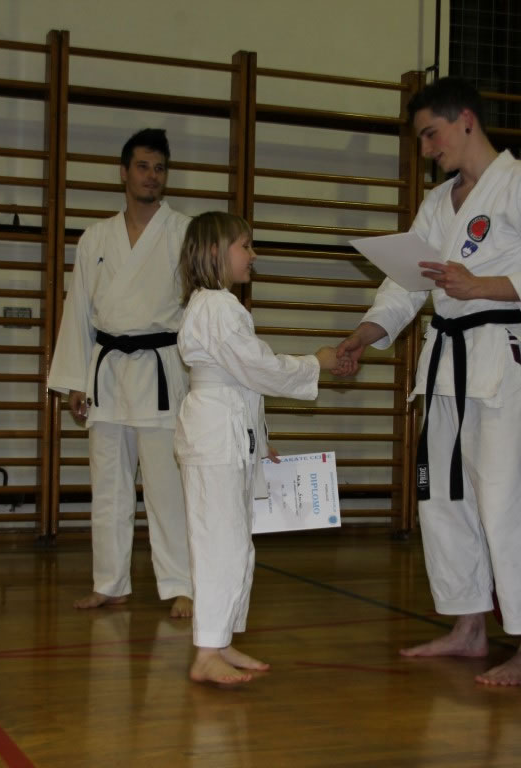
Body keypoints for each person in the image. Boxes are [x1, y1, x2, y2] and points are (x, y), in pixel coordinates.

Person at [336, 77, 521, 686]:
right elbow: (405, 284)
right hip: (443, 365)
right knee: (442, 499)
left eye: (430, 134)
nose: (426, 149)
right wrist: (364, 334)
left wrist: (482, 285)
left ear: (466, 119)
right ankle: (469, 627)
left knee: (509, 501)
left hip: (498, 360)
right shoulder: (438, 204)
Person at [175, 212, 345, 684]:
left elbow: (242, 380)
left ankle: (221, 641)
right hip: (216, 437)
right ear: (215, 251)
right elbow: (259, 368)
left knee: (236, 545)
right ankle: (206, 652)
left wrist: (261, 439)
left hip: (229, 432)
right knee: (220, 544)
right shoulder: (217, 306)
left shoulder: (216, 305)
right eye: (245, 245)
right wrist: (316, 363)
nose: (253, 255)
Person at [48, 128, 193, 618]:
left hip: (161, 371)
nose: (152, 176)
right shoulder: (96, 237)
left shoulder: (184, 233)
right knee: (108, 484)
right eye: (143, 167)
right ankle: (110, 582)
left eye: (160, 168)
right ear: (124, 173)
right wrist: (74, 379)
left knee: (167, 487)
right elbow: (78, 309)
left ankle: (181, 584)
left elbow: (200, 308)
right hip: (107, 372)